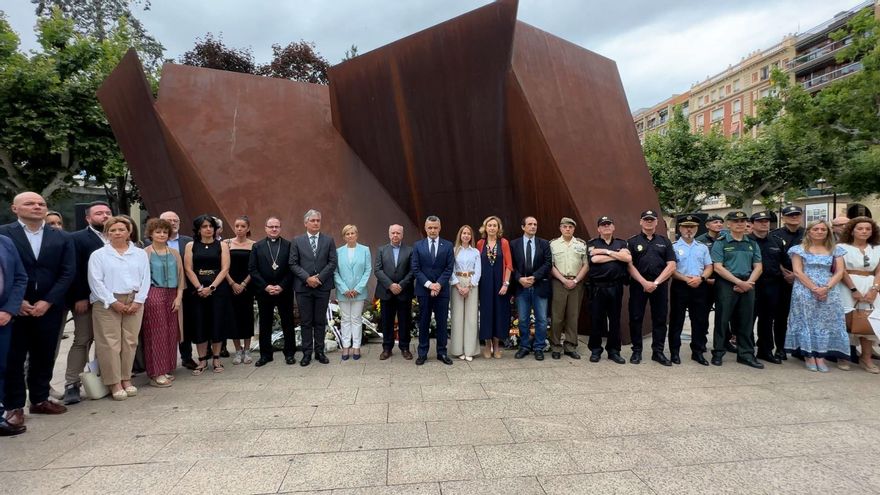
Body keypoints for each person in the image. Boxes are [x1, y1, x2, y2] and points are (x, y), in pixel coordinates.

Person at [0, 192, 75, 428]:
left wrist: (48, 301)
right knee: (14, 357)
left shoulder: (61, 237)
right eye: (30, 203)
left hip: (48, 307)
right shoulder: (4, 235)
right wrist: (17, 302)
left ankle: (40, 398)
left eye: (41, 204)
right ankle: (14, 405)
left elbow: (67, 271)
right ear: (15, 208)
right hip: (15, 309)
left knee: (44, 354)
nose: (37, 207)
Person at [87, 216, 151, 399]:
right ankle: (114, 382)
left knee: (130, 341)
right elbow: (95, 281)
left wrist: (138, 301)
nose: (117, 233)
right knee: (109, 343)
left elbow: (145, 278)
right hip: (107, 301)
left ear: (129, 232)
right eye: (112, 230)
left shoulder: (139, 254)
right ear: (107, 234)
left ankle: (126, 378)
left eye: (121, 229)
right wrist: (113, 302)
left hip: (134, 299)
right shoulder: (98, 255)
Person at [62, 200, 111, 404]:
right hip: (88, 299)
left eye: (108, 212)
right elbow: (73, 270)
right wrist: (79, 296)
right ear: (88, 218)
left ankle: (105, 378)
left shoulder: (120, 235)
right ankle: (72, 384)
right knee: (82, 340)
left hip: (114, 300)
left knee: (106, 342)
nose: (105, 216)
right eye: (99, 213)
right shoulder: (78, 239)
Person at [784, 220, 849, 372]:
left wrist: (826, 287)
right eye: (816, 229)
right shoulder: (798, 249)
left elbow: (840, 271)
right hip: (805, 288)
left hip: (829, 288)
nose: (819, 232)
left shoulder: (835, 249)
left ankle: (821, 356)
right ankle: (808, 355)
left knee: (825, 322)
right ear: (809, 231)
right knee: (807, 320)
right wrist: (814, 288)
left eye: (823, 229)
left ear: (828, 232)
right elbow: (798, 271)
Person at [710, 210, 763, 368]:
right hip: (727, 283)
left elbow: (758, 267)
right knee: (722, 319)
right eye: (736, 221)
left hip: (748, 283)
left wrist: (748, 283)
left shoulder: (752, 243)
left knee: (746, 320)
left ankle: (745, 354)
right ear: (729, 224)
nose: (740, 224)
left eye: (743, 221)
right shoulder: (721, 242)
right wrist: (738, 282)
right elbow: (718, 267)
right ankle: (718, 352)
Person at [183, 214, 233, 375]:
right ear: (198, 229)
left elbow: (224, 268)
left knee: (217, 322)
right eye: (204, 226)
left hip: (217, 290)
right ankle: (202, 360)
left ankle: (217, 358)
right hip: (196, 292)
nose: (208, 229)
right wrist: (199, 288)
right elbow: (188, 268)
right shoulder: (191, 245)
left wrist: (211, 287)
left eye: (211, 226)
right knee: (199, 324)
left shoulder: (222, 245)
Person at [626, 210, 677, 366]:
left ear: (656, 222)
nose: (649, 222)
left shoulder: (665, 241)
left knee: (660, 319)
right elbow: (629, 265)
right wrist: (643, 282)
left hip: (659, 286)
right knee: (635, 318)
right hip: (638, 285)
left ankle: (658, 352)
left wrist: (655, 283)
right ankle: (636, 352)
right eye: (646, 219)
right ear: (641, 222)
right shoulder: (632, 241)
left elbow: (672, 265)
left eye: (652, 220)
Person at [289, 209, 337, 367]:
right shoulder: (297, 241)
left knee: (320, 321)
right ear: (305, 223)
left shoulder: (328, 240)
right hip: (303, 288)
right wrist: (307, 278)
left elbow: (332, 262)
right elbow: (293, 263)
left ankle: (320, 352)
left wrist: (319, 278)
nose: (316, 223)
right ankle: (307, 353)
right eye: (313, 220)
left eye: (318, 220)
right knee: (306, 321)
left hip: (322, 287)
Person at [142, 218, 185, 387]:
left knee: (171, 332)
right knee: (156, 333)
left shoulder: (174, 253)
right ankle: (155, 373)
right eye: (158, 232)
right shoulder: (145, 253)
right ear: (151, 233)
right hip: (154, 293)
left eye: (165, 232)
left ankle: (166, 367)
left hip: (173, 293)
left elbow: (181, 275)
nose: (162, 235)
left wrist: (179, 296)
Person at [249, 217, 297, 366]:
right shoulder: (257, 246)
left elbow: (292, 268)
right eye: (271, 226)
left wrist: (282, 286)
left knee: (288, 322)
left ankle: (289, 353)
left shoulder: (288, 245)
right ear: (265, 228)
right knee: (265, 323)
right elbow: (253, 269)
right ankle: (265, 355)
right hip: (265, 292)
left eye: (277, 226)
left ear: (280, 228)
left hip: (284, 291)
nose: (274, 229)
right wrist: (266, 286)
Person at [668, 214, 713, 365]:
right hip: (680, 286)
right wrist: (686, 279)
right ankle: (675, 352)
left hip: (699, 286)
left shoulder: (702, 248)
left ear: (696, 228)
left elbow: (709, 267)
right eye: (686, 227)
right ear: (680, 228)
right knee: (676, 320)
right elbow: (671, 269)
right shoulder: (673, 247)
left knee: (699, 320)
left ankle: (698, 352)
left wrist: (701, 278)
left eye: (692, 227)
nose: (689, 230)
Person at [838, 216, 880, 373]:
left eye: (868, 229)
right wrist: (853, 290)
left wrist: (874, 289)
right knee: (846, 321)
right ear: (852, 230)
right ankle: (843, 356)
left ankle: (866, 358)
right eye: (860, 228)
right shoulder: (842, 247)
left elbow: (879, 271)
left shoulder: (877, 248)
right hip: (847, 286)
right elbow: (841, 270)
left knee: (869, 321)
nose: (864, 231)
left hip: (871, 286)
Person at [586, 216, 631, 364]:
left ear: (613, 227)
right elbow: (594, 260)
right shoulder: (592, 243)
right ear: (598, 229)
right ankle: (596, 350)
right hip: (598, 287)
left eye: (608, 224)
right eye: (603, 225)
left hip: (615, 287)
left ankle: (614, 351)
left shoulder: (621, 242)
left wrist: (605, 252)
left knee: (615, 320)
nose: (606, 227)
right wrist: (617, 255)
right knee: (596, 320)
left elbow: (627, 259)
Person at [411, 215, 454, 365]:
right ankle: (422, 353)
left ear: (440, 228)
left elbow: (449, 268)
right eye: (430, 228)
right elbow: (415, 269)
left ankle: (442, 353)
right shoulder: (418, 246)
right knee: (424, 322)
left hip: (442, 291)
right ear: (425, 228)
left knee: (442, 322)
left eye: (435, 228)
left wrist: (439, 285)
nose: (433, 230)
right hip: (424, 291)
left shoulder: (448, 246)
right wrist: (430, 285)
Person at [510, 216, 552, 361]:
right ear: (523, 227)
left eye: (535, 224)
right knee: (522, 319)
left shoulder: (544, 243)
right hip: (522, 287)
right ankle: (524, 346)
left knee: (541, 319)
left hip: (539, 285)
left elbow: (548, 263)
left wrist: (534, 277)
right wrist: (519, 278)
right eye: (530, 224)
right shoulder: (514, 244)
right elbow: (511, 265)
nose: (533, 226)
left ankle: (539, 347)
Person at [157, 211, 195, 370]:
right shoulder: (149, 243)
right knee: (163, 326)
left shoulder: (188, 241)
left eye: (176, 220)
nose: (173, 223)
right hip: (160, 290)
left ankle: (186, 357)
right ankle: (165, 360)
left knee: (184, 325)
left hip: (185, 289)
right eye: (169, 220)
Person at [749, 211, 787, 364]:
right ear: (752, 224)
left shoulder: (777, 241)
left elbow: (784, 262)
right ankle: (747, 350)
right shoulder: (746, 241)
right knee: (748, 319)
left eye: (767, 221)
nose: (764, 224)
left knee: (767, 319)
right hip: (752, 284)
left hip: (772, 284)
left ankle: (765, 350)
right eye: (760, 221)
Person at [0, 234, 28, 435]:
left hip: (4, 316)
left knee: (1, 367)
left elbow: (20, 277)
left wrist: (9, 309)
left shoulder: (5, 242)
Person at [549, 217, 588, 360]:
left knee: (573, 316)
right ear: (560, 228)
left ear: (574, 229)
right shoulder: (553, 244)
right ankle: (555, 346)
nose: (567, 229)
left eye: (570, 227)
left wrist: (576, 280)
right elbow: (551, 265)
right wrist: (563, 279)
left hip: (576, 283)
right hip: (559, 282)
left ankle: (570, 346)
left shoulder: (581, 244)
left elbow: (586, 264)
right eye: (565, 227)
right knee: (557, 317)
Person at [374, 224, 415, 360]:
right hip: (386, 292)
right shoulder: (381, 250)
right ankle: (387, 348)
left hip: (404, 292)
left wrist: (401, 285)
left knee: (405, 321)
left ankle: (405, 348)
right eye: (393, 233)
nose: (395, 235)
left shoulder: (410, 250)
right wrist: (390, 285)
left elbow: (412, 271)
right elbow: (378, 270)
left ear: (402, 235)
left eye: (398, 233)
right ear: (389, 234)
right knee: (386, 321)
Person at [772, 205, 805, 360]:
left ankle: (800, 348)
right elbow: (772, 257)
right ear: (783, 218)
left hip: (805, 280)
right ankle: (780, 347)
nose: (794, 217)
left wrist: (799, 275)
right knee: (781, 316)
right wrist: (786, 273)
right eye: (790, 215)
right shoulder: (775, 235)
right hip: (782, 280)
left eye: (797, 215)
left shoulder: (808, 234)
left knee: (802, 316)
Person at [476, 216, 512, 359]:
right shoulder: (480, 243)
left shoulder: (503, 243)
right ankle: (487, 345)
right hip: (484, 285)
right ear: (485, 228)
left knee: (499, 314)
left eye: (494, 225)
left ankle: (497, 346)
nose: (492, 228)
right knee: (486, 314)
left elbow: (509, 265)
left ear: (498, 228)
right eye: (489, 225)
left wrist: (506, 284)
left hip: (499, 284)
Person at [334, 224, 372, 361]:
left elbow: (368, 270)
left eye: (352, 233)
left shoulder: (365, 250)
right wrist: (344, 289)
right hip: (343, 292)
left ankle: (356, 346)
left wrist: (358, 288)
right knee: (345, 319)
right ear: (344, 236)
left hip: (358, 292)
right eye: (347, 234)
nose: (350, 236)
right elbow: (335, 271)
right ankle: (345, 346)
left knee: (356, 319)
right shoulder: (338, 252)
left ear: (357, 234)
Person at [225, 216, 255, 365]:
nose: (239, 228)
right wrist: (232, 283)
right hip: (230, 285)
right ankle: (237, 350)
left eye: (243, 226)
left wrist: (243, 284)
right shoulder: (226, 243)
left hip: (247, 286)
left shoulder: (254, 245)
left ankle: (248, 350)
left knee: (247, 317)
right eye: (237, 226)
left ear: (248, 228)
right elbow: (223, 267)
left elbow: (254, 268)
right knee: (233, 318)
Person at [449, 225, 481, 361]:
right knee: (457, 317)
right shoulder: (454, 250)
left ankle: (470, 350)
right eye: (464, 233)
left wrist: (469, 286)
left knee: (471, 317)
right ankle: (458, 350)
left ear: (471, 236)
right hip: (456, 282)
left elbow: (478, 270)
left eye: (468, 233)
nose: (466, 235)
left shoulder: (475, 252)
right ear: (460, 235)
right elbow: (450, 269)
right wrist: (457, 285)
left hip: (471, 283)